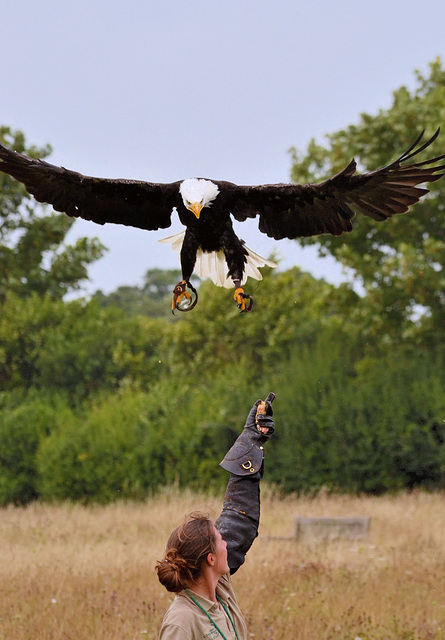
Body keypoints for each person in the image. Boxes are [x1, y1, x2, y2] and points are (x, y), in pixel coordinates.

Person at [155, 394, 275, 640]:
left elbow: (239, 518)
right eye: (220, 539)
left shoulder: (218, 590)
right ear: (210, 558)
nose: (226, 543)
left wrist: (251, 439)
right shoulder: (181, 622)